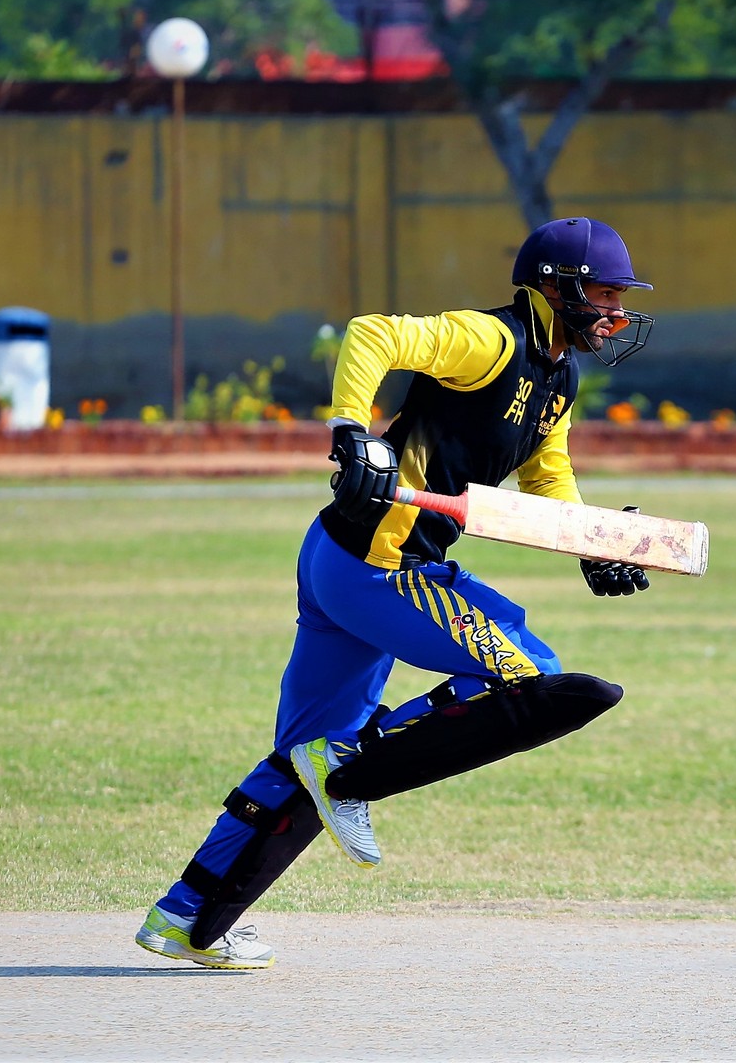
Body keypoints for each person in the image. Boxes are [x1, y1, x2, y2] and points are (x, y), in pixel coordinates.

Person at [135, 217, 657, 968]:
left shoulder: (558, 379)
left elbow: (547, 474)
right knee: (530, 678)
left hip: (339, 561)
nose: (616, 311)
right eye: (605, 294)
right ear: (555, 287)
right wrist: (353, 430)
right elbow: (373, 333)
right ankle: (349, 756)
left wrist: (590, 543)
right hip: (383, 567)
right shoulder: (490, 341)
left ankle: (185, 917)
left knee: (300, 764)